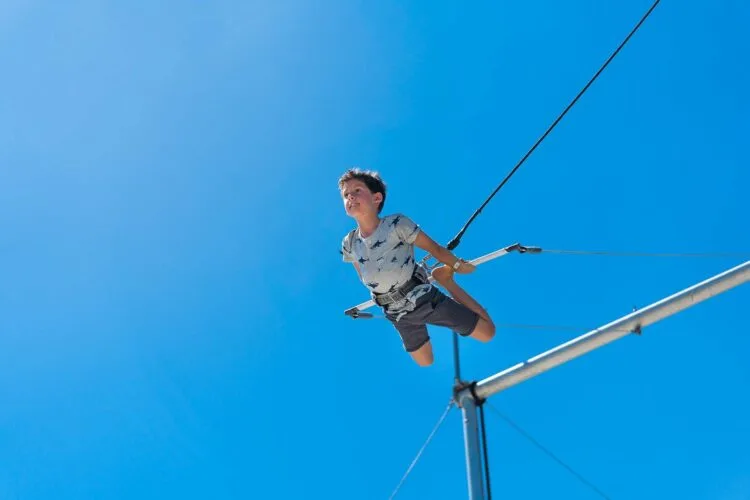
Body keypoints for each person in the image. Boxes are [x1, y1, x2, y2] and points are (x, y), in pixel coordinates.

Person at [339, 168, 495, 367]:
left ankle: (446, 281)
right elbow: (364, 276)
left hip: (421, 298)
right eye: (345, 195)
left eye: (357, 190)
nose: (350, 196)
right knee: (426, 362)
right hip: (396, 313)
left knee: (488, 332)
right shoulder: (349, 242)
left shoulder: (396, 223)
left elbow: (434, 248)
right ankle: (423, 313)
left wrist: (455, 264)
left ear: (376, 198)